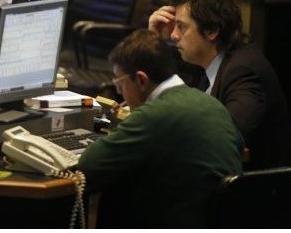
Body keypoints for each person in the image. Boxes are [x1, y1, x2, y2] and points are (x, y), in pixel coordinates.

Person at [77, 30, 243, 228]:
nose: (119, 91)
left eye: (119, 83)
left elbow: (88, 166)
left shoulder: (152, 115)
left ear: (141, 80)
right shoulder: (212, 105)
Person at [148, 0, 290, 168]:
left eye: (181, 27)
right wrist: (154, 40)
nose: (174, 35)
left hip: (246, 188)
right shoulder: (207, 57)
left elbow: (223, 138)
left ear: (212, 31)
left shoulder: (244, 71)